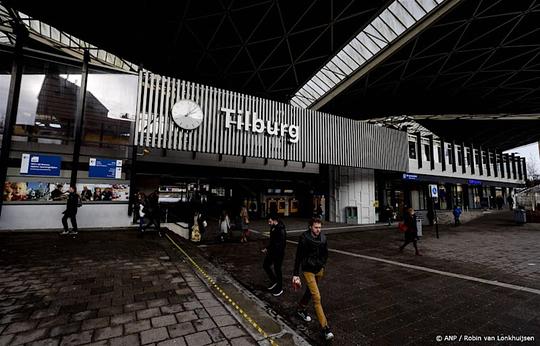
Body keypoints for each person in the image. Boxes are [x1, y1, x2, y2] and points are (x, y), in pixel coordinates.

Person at [292, 218, 334, 341]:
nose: (318, 230)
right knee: (317, 297)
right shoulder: (304, 238)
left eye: (320, 227)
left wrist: (322, 264)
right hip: (308, 270)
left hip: (319, 269)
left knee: (310, 291)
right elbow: (298, 256)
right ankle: (325, 328)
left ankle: (301, 308)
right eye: (316, 227)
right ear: (310, 226)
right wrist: (295, 274)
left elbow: (325, 254)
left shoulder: (323, 238)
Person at [262, 214, 286, 297]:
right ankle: (274, 280)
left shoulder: (280, 229)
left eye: (270, 221)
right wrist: (267, 248)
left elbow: (281, 244)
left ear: (275, 220)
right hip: (272, 252)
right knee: (265, 265)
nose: (268, 223)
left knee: (277, 270)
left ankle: (280, 288)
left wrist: (273, 251)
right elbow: (272, 241)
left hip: (278, 254)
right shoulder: (273, 227)